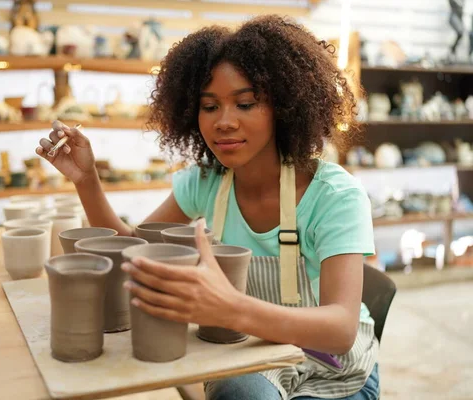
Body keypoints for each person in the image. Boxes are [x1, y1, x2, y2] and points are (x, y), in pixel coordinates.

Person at [36, 14, 379, 400]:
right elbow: (133, 251)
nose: (224, 122)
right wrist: (87, 181)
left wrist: (231, 310)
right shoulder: (207, 181)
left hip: (332, 371)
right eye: (210, 106)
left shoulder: (334, 197)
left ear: (284, 107)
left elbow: (339, 328)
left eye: (245, 103)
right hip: (249, 351)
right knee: (239, 391)